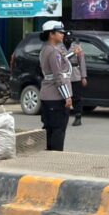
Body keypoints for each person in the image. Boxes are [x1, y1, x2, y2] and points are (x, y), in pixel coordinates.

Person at [39, 20, 73, 151]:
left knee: (49, 129)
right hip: (56, 97)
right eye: (60, 32)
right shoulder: (53, 51)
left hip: (47, 95)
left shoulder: (46, 49)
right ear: (51, 34)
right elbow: (58, 76)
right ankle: (55, 158)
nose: (63, 34)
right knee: (58, 130)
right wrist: (67, 96)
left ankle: (47, 156)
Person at [63, 31, 87, 127]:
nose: (68, 40)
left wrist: (83, 76)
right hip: (64, 74)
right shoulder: (59, 47)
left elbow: (82, 62)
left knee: (77, 97)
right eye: (66, 38)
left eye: (70, 38)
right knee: (64, 97)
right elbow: (60, 60)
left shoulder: (77, 47)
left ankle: (78, 117)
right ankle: (64, 116)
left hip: (75, 74)